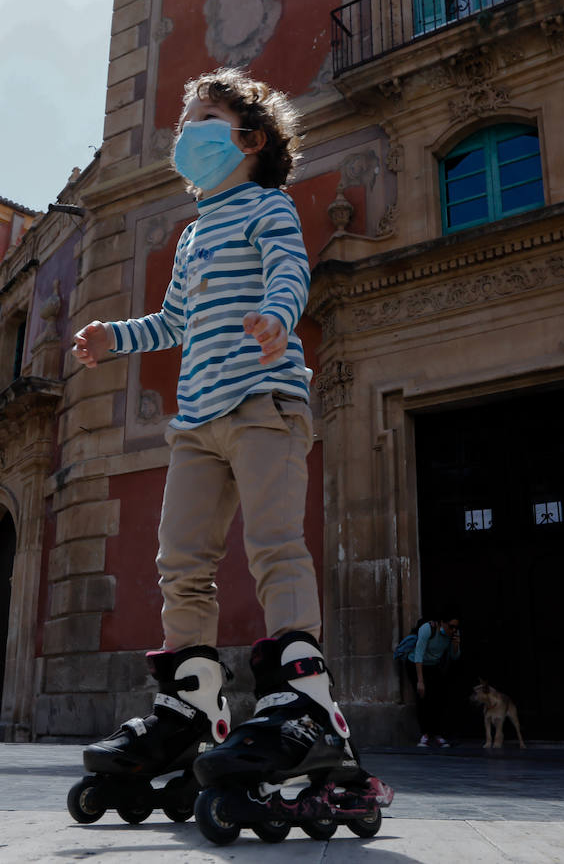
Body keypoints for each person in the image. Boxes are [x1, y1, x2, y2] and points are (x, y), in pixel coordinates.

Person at [73, 67, 366, 798]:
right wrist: (117, 336)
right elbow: (172, 322)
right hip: (197, 422)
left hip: (265, 401)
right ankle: (192, 711)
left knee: (274, 546)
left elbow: (290, 275)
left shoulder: (268, 208)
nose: (186, 134)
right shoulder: (193, 233)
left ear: (250, 139)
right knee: (182, 563)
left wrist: (276, 315)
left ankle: (306, 705)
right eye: (184, 122)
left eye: (203, 119)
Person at [404, 608, 461, 747]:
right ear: (443, 623)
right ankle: (425, 735)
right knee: (423, 697)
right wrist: (420, 681)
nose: (453, 630)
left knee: (439, 697)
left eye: (456, 627)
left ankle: (437, 733)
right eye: (451, 626)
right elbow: (419, 654)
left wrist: (455, 645)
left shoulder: (453, 635)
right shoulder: (428, 629)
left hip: (433, 665)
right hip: (416, 663)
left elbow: (455, 657)